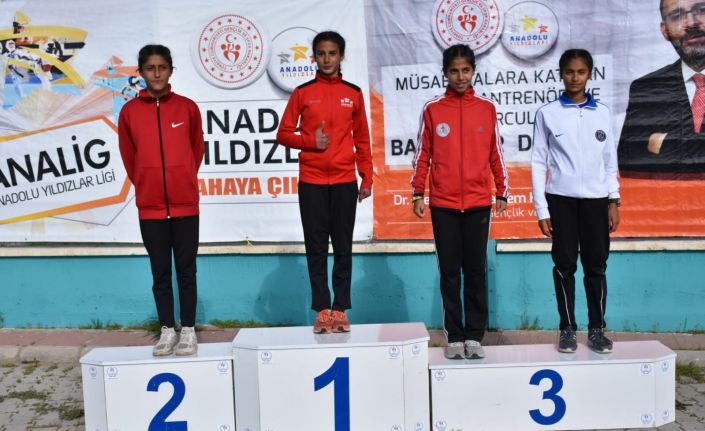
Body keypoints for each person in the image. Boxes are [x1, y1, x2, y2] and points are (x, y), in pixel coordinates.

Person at [410, 44, 508, 360]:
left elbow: (495, 152)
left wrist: (502, 189)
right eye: (454, 71)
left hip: (478, 203)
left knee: (476, 271)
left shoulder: (486, 108)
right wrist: (418, 192)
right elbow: (423, 154)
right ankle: (454, 336)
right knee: (450, 272)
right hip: (443, 204)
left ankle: (474, 336)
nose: (460, 76)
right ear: (445, 73)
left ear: (473, 71)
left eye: (466, 70)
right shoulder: (433, 109)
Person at [276, 31, 373, 334]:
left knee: (343, 248)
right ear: (314, 57)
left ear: (342, 56)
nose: (327, 59)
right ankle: (322, 310)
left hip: (344, 181)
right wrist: (310, 141)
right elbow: (283, 133)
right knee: (316, 248)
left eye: (332, 53)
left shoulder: (353, 93)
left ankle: (340, 309)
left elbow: (362, 138)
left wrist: (367, 175)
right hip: (312, 182)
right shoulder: (303, 93)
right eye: (321, 53)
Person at [532, 49, 620, 354]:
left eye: (581, 72)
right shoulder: (547, 113)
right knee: (564, 265)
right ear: (561, 74)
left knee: (596, 266)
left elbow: (609, 161)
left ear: (589, 74)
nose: (575, 78)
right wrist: (541, 208)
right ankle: (567, 329)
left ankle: (597, 329)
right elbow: (538, 162)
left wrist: (613, 200)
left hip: (597, 201)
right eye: (569, 72)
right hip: (561, 201)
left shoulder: (603, 113)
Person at [118, 44, 204, 356]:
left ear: (170, 70)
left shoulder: (187, 108)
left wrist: (183, 179)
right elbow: (129, 156)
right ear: (141, 72)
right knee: (160, 273)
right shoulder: (129, 112)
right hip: (151, 208)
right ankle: (168, 329)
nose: (156, 74)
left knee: (187, 271)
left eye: (162, 67)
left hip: (185, 205)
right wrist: (146, 182)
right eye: (150, 68)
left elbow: (196, 150)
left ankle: (188, 329)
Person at [619, 0, 705, 177]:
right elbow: (630, 165)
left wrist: (665, 143)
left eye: (702, 10)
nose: (691, 22)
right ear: (665, 30)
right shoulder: (645, 88)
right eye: (677, 16)